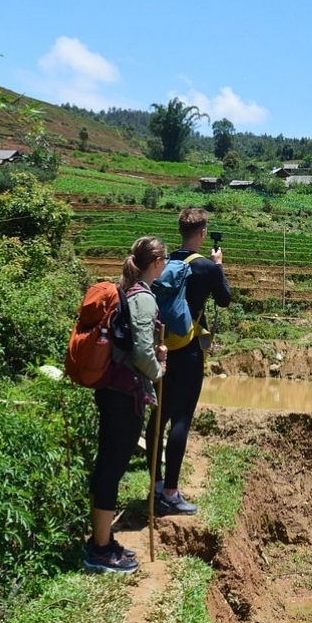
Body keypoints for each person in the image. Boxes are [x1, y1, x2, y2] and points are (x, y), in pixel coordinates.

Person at [84, 236, 168, 573]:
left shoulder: (129, 291)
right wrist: (159, 370)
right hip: (125, 394)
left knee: (106, 464)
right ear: (157, 262)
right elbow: (143, 352)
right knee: (112, 468)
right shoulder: (144, 298)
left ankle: (100, 541)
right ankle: (100, 549)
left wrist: (153, 356)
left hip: (110, 389)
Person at [145, 208, 231, 515]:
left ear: (180, 231)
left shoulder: (163, 264)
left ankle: (155, 487)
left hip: (161, 348)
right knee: (181, 419)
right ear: (203, 234)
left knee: (158, 417)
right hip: (189, 350)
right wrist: (218, 267)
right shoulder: (207, 267)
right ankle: (171, 492)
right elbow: (224, 299)